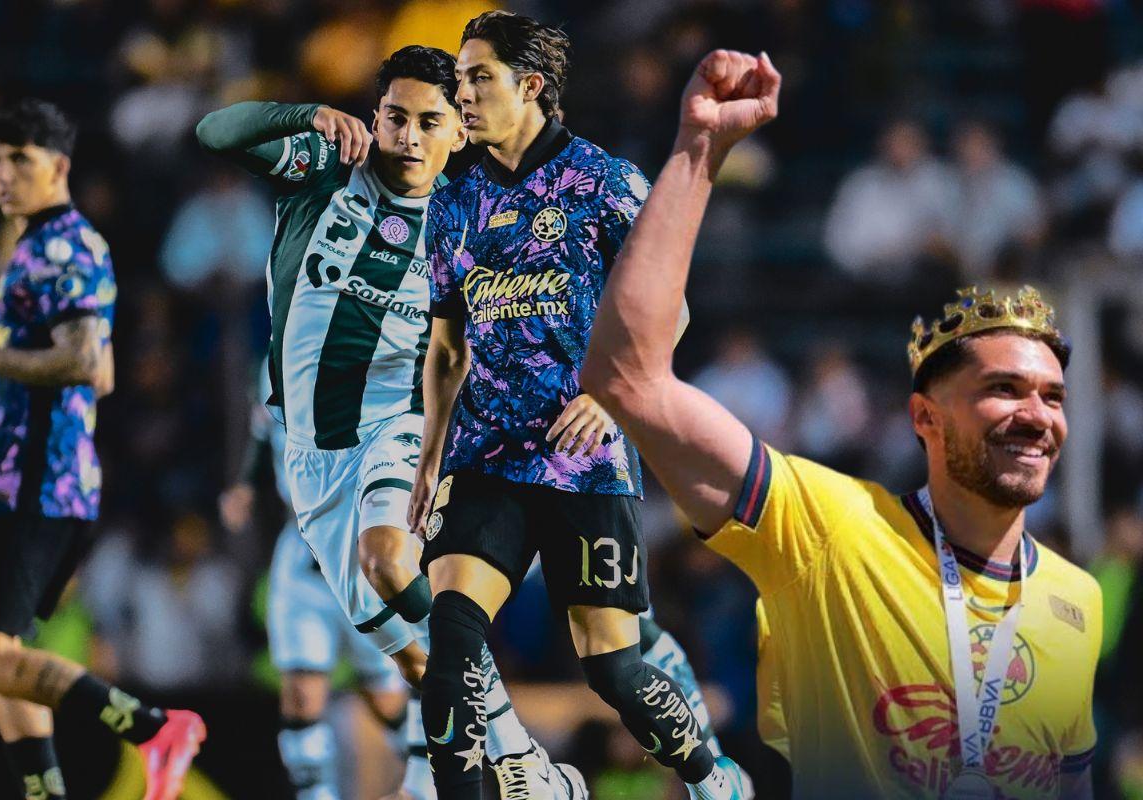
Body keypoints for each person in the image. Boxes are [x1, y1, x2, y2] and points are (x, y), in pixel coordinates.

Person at [580, 48, 1100, 799]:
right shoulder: (829, 528)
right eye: (1005, 388)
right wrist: (700, 149)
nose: (1037, 415)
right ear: (924, 415)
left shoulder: (1076, 598)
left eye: (1053, 397)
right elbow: (628, 377)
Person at [198, 45, 583, 798]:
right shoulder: (323, 167)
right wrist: (304, 111)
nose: (407, 136)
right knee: (412, 656)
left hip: (396, 427)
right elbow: (216, 132)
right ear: (374, 117)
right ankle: (523, 763)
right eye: (395, 117)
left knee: (387, 558)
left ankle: (498, 770)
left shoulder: (476, 221)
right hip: (309, 452)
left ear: (460, 133)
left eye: (428, 122)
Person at [408, 12, 748, 800]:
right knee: (452, 636)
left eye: (476, 77)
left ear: (530, 86)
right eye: (458, 79)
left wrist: (617, 400)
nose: (461, 93)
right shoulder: (451, 201)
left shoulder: (603, 181)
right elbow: (447, 349)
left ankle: (711, 775)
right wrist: (428, 465)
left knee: (613, 666)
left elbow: (674, 307)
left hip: (584, 458)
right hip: (486, 454)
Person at [0, 99, 205, 800]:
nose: (1, 174)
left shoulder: (68, 248)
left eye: (18, 159)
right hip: (27, 470)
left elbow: (81, 362)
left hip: (40, 486)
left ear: (59, 166)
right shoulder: (35, 247)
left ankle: (152, 727)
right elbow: (100, 371)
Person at [223, 379, 426, 800]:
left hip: (364, 553)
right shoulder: (275, 357)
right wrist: (245, 483)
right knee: (301, 692)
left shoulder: (371, 346)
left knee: (387, 692)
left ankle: (428, 783)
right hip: (302, 552)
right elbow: (264, 427)